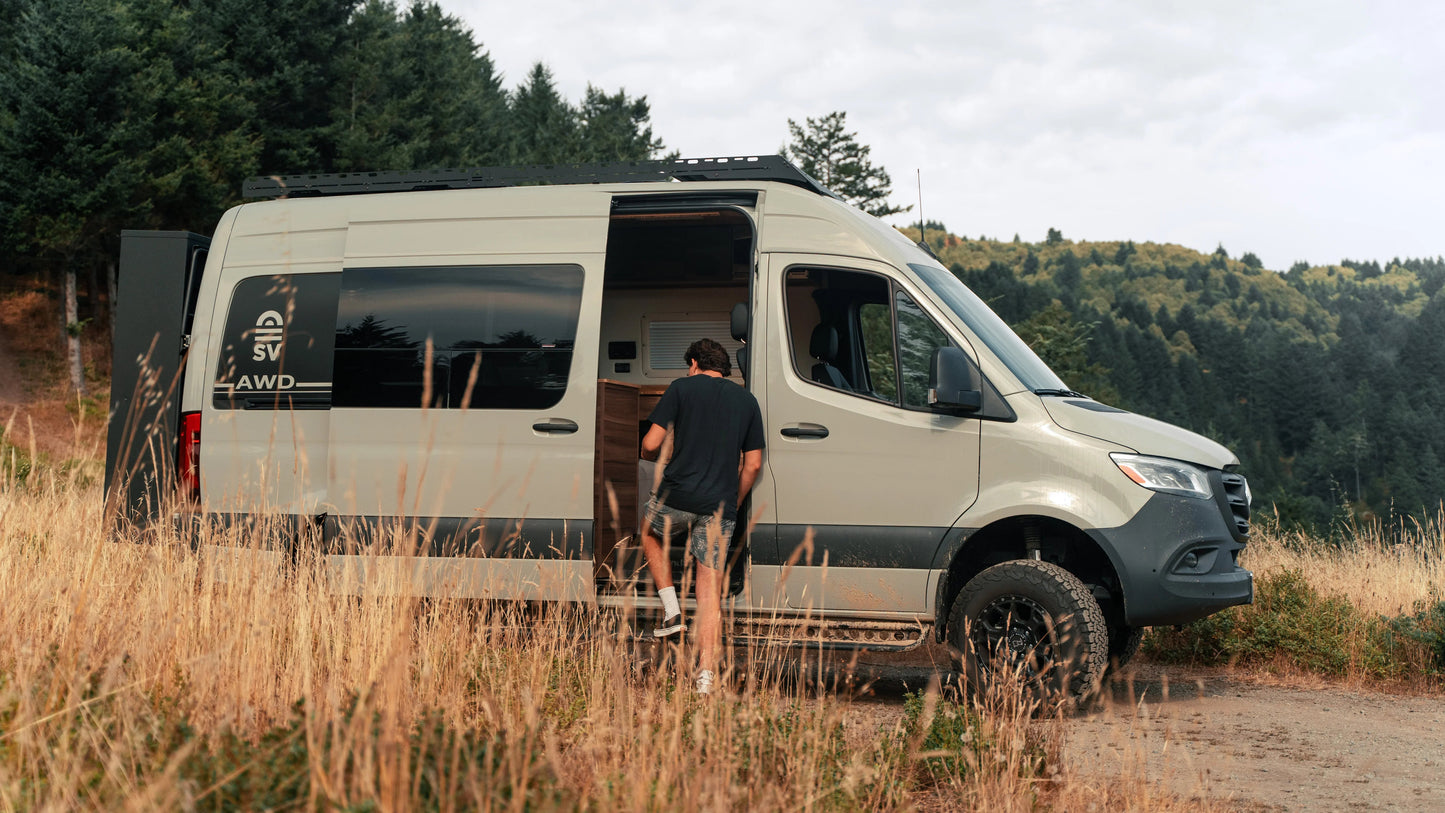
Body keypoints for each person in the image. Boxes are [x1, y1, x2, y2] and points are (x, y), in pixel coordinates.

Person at [640, 338, 764, 695]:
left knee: (649, 533)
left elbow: (650, 445)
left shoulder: (681, 388)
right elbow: (752, 464)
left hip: (677, 497)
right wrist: (734, 503)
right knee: (709, 592)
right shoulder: (747, 401)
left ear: (694, 362)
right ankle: (706, 679)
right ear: (723, 367)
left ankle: (671, 611)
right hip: (720, 506)